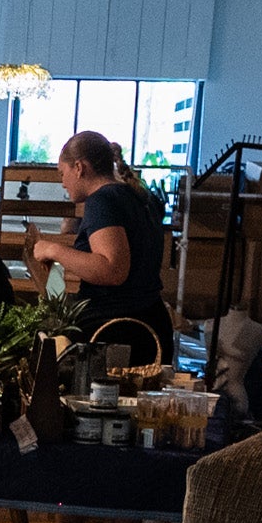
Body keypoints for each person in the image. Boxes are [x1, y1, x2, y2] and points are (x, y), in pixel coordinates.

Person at [27, 131, 170, 359]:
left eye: (62, 173)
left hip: (117, 332)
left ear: (79, 167)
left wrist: (54, 250)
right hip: (150, 323)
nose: (62, 182)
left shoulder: (102, 200)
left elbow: (112, 270)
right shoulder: (137, 197)